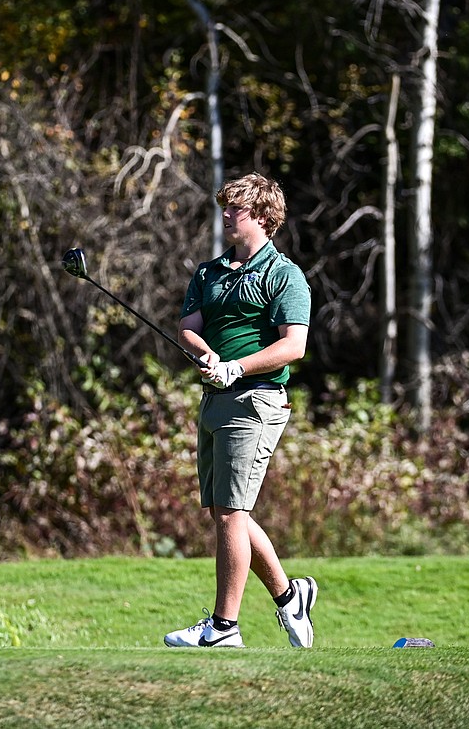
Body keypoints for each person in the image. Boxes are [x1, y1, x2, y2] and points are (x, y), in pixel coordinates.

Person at [164, 172, 316, 649]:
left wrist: (237, 368)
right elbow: (187, 328)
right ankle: (291, 596)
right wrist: (209, 357)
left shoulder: (284, 276)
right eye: (225, 207)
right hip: (214, 399)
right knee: (222, 512)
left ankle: (224, 628)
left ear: (264, 217)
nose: (227, 216)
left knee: (231, 512)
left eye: (237, 209)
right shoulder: (208, 274)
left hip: (257, 400)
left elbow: (294, 346)